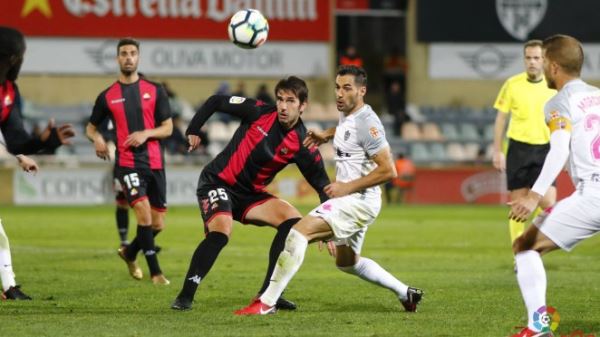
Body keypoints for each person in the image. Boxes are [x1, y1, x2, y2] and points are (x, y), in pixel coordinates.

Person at [234, 65, 423, 316]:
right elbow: (350, 132)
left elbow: (389, 170)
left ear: (362, 91)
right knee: (347, 263)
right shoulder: (350, 116)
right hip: (357, 201)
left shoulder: (368, 122)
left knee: (297, 233)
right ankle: (406, 293)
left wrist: (347, 187)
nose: (339, 94)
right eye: (337, 87)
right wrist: (328, 134)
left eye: (347, 88)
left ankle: (266, 302)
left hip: (358, 200)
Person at [170, 76, 331, 311]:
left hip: (250, 196)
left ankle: (269, 294)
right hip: (217, 183)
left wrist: (329, 225)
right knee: (222, 230)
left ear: (303, 106)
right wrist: (193, 129)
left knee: (294, 223)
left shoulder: (302, 144)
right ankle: (185, 295)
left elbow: (323, 186)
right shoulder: (258, 111)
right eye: (280, 99)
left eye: (290, 101)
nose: (283, 106)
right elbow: (216, 101)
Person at [507, 35, 600, 337]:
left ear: (555, 66)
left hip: (593, 194)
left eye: (544, 62)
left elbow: (559, 150)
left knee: (525, 246)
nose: (542, 68)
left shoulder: (558, 102)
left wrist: (534, 196)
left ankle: (538, 327)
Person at [86, 38, 173, 285]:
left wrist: (146, 133)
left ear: (138, 57)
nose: (128, 57)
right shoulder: (107, 96)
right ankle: (156, 273)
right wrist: (98, 139)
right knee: (143, 213)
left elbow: (167, 128)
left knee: (158, 224)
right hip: (127, 163)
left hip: (155, 163)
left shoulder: (156, 90)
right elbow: (90, 128)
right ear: (117, 58)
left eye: (132, 53)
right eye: (123, 53)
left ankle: (129, 252)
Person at [0, 26, 75, 300]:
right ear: (11, 58)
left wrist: (46, 141)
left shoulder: (9, 92)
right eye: (22, 55)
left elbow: (15, 139)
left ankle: (9, 287)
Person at [492, 39, 557, 244]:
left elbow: (563, 119)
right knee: (518, 204)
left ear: (544, 59)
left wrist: (565, 151)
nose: (532, 62)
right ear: (524, 59)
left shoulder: (553, 85)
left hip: (546, 148)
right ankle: (520, 254)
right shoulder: (512, 84)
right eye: (528, 58)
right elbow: (501, 118)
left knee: (548, 203)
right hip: (518, 149)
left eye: (536, 58)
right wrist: (497, 151)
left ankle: (532, 244)